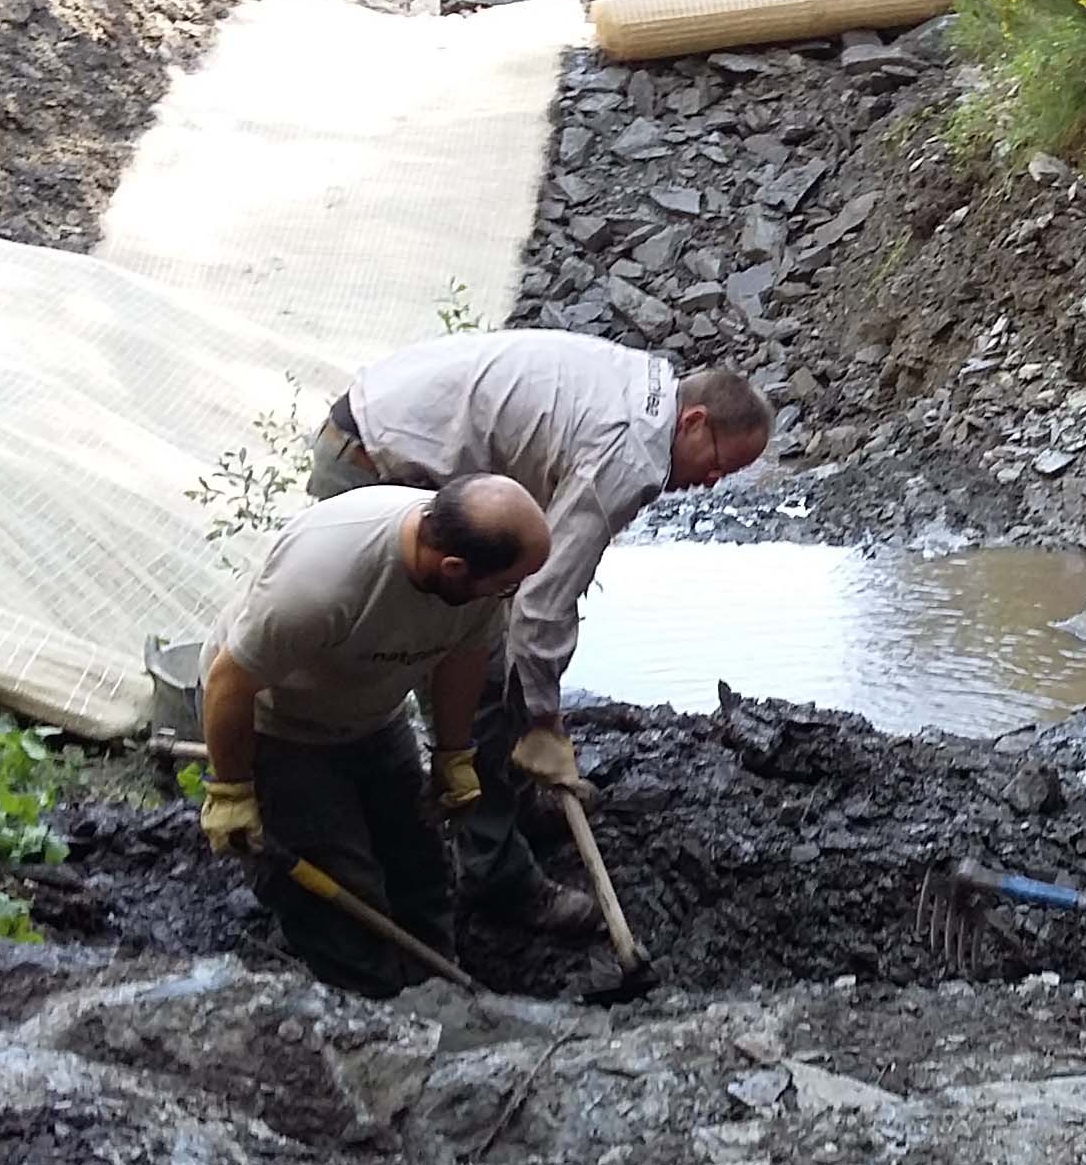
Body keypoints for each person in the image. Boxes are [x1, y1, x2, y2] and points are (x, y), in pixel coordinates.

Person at [306, 329, 773, 923]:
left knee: (497, 662)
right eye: (718, 464)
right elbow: (544, 600)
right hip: (377, 468)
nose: (712, 483)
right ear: (695, 421)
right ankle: (493, 871)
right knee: (482, 679)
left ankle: (511, 799)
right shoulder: (632, 453)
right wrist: (545, 722)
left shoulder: (650, 387)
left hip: (386, 431)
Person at [197, 476, 551, 994]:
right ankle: (376, 1013)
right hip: (278, 724)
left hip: (372, 716)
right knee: (342, 893)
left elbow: (461, 657)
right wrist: (231, 789)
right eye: (506, 587)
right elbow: (231, 681)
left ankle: (439, 993)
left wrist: (453, 754)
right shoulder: (322, 582)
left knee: (420, 865)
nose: (509, 597)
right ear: (453, 569)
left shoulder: (468, 571)